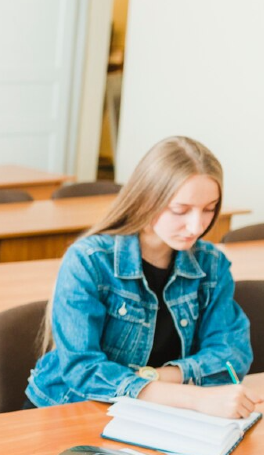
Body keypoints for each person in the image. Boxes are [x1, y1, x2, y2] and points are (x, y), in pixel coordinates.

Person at [26, 136, 261, 418]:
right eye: (180, 210)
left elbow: (231, 355)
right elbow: (83, 369)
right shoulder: (88, 261)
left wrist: (156, 377)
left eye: (210, 209)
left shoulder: (211, 264)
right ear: (146, 200)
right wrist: (193, 397)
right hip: (74, 409)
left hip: (158, 414)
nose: (197, 225)